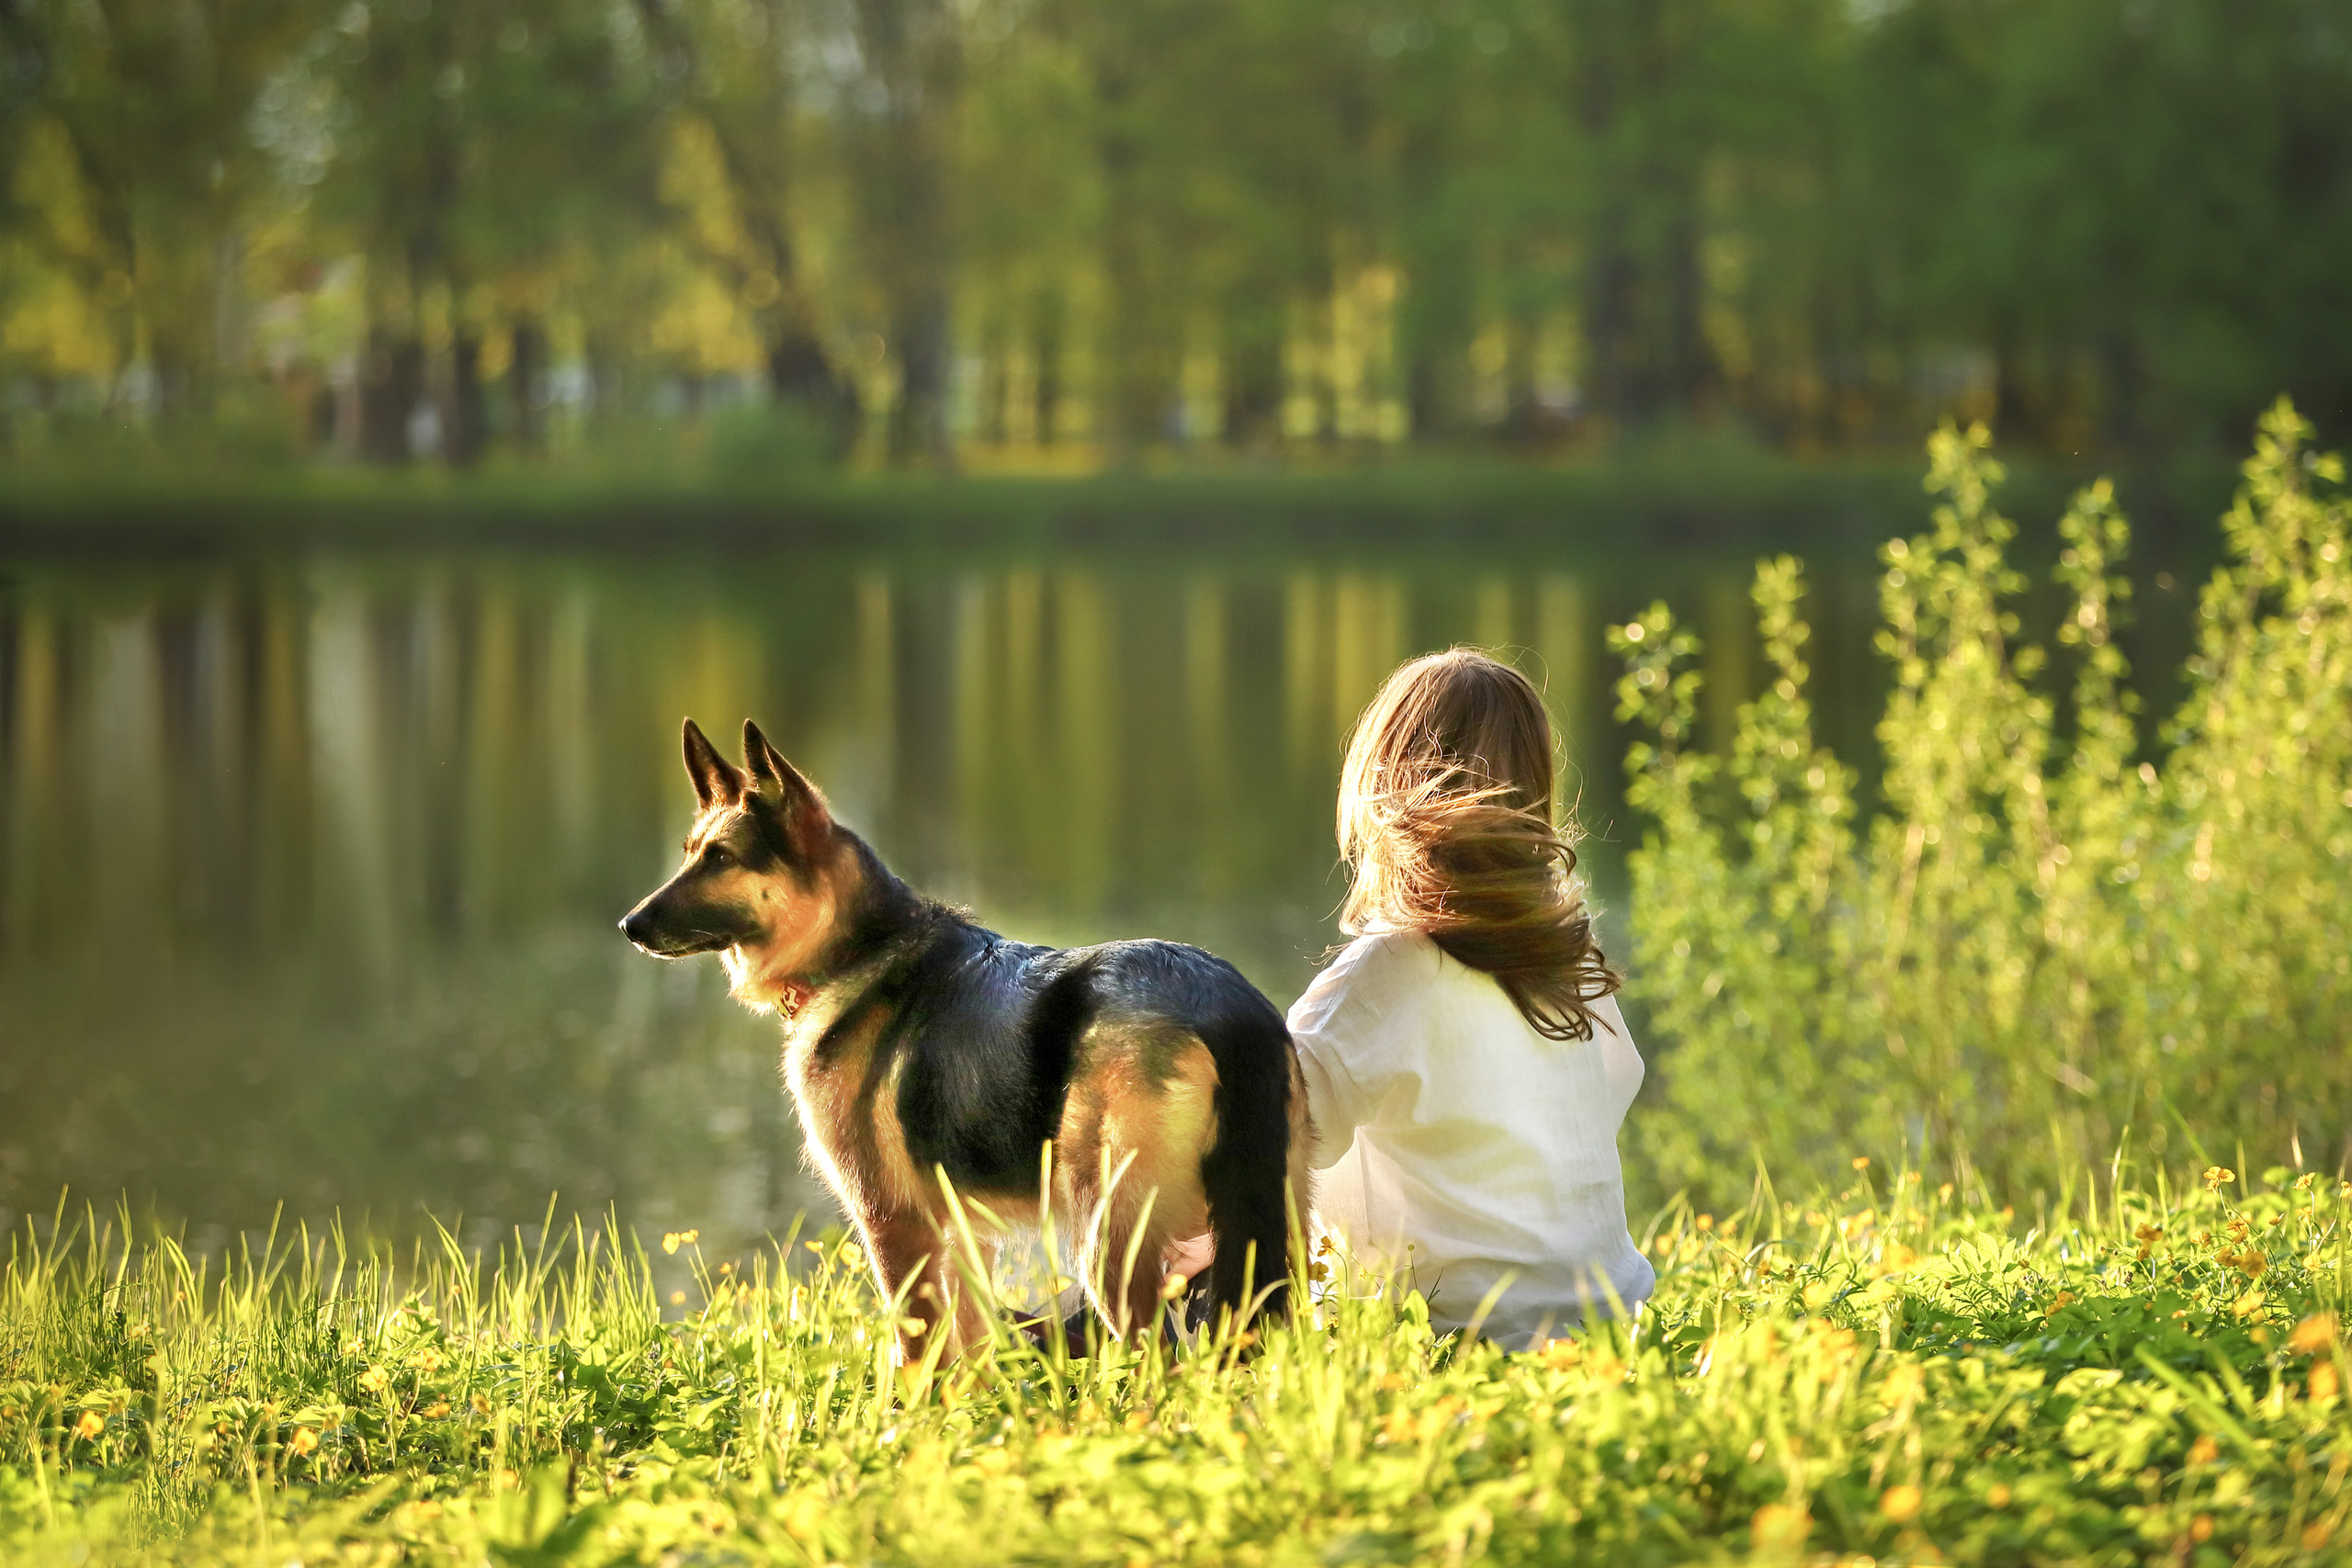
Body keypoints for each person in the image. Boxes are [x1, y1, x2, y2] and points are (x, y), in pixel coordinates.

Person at [1289, 648, 1653, 1348]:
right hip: (1607, 1326)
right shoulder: (1565, 956)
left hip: (1452, 1336)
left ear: (1381, 785)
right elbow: (1620, 1076)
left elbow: (1273, 1120)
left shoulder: (1392, 966)